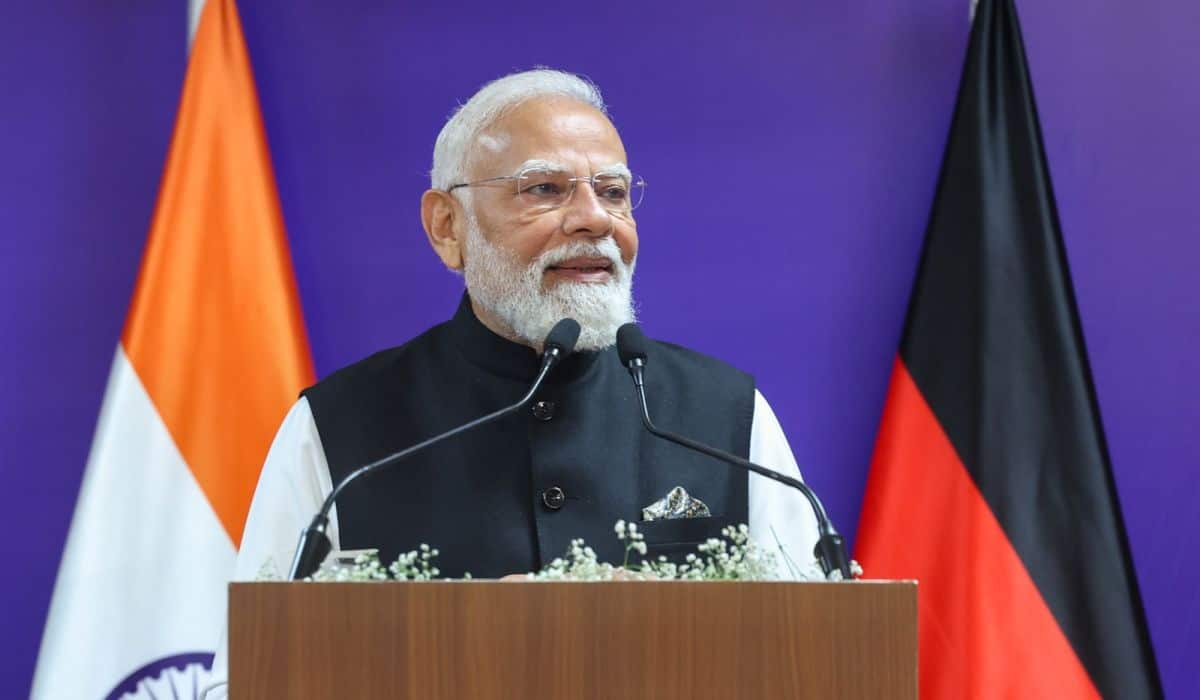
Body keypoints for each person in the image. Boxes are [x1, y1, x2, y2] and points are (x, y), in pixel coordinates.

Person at [202, 68, 819, 698]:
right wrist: (456, 651)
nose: (594, 220)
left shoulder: (725, 415)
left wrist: (681, 639)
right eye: (545, 189)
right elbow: (248, 682)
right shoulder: (341, 428)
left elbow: (816, 665)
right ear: (448, 227)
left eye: (612, 192)